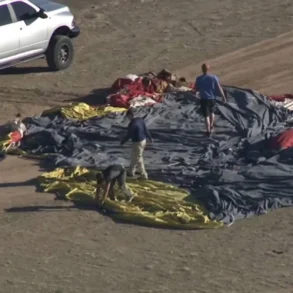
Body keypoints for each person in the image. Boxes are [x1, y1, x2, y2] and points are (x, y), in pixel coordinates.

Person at [195, 63, 226, 136]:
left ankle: (208, 131)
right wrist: (223, 96)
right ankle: (212, 126)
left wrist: (198, 93)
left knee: (206, 116)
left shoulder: (199, 78)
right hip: (212, 98)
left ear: (202, 69)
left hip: (204, 99)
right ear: (209, 69)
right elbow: (219, 87)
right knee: (212, 112)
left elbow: (196, 89)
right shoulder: (214, 77)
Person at [121, 108, 152, 180]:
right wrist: (150, 137)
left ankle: (144, 175)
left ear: (129, 116)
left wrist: (123, 141)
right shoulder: (140, 120)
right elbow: (145, 129)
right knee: (135, 156)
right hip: (143, 140)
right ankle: (131, 171)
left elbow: (129, 134)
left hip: (137, 142)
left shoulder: (132, 124)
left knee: (138, 157)